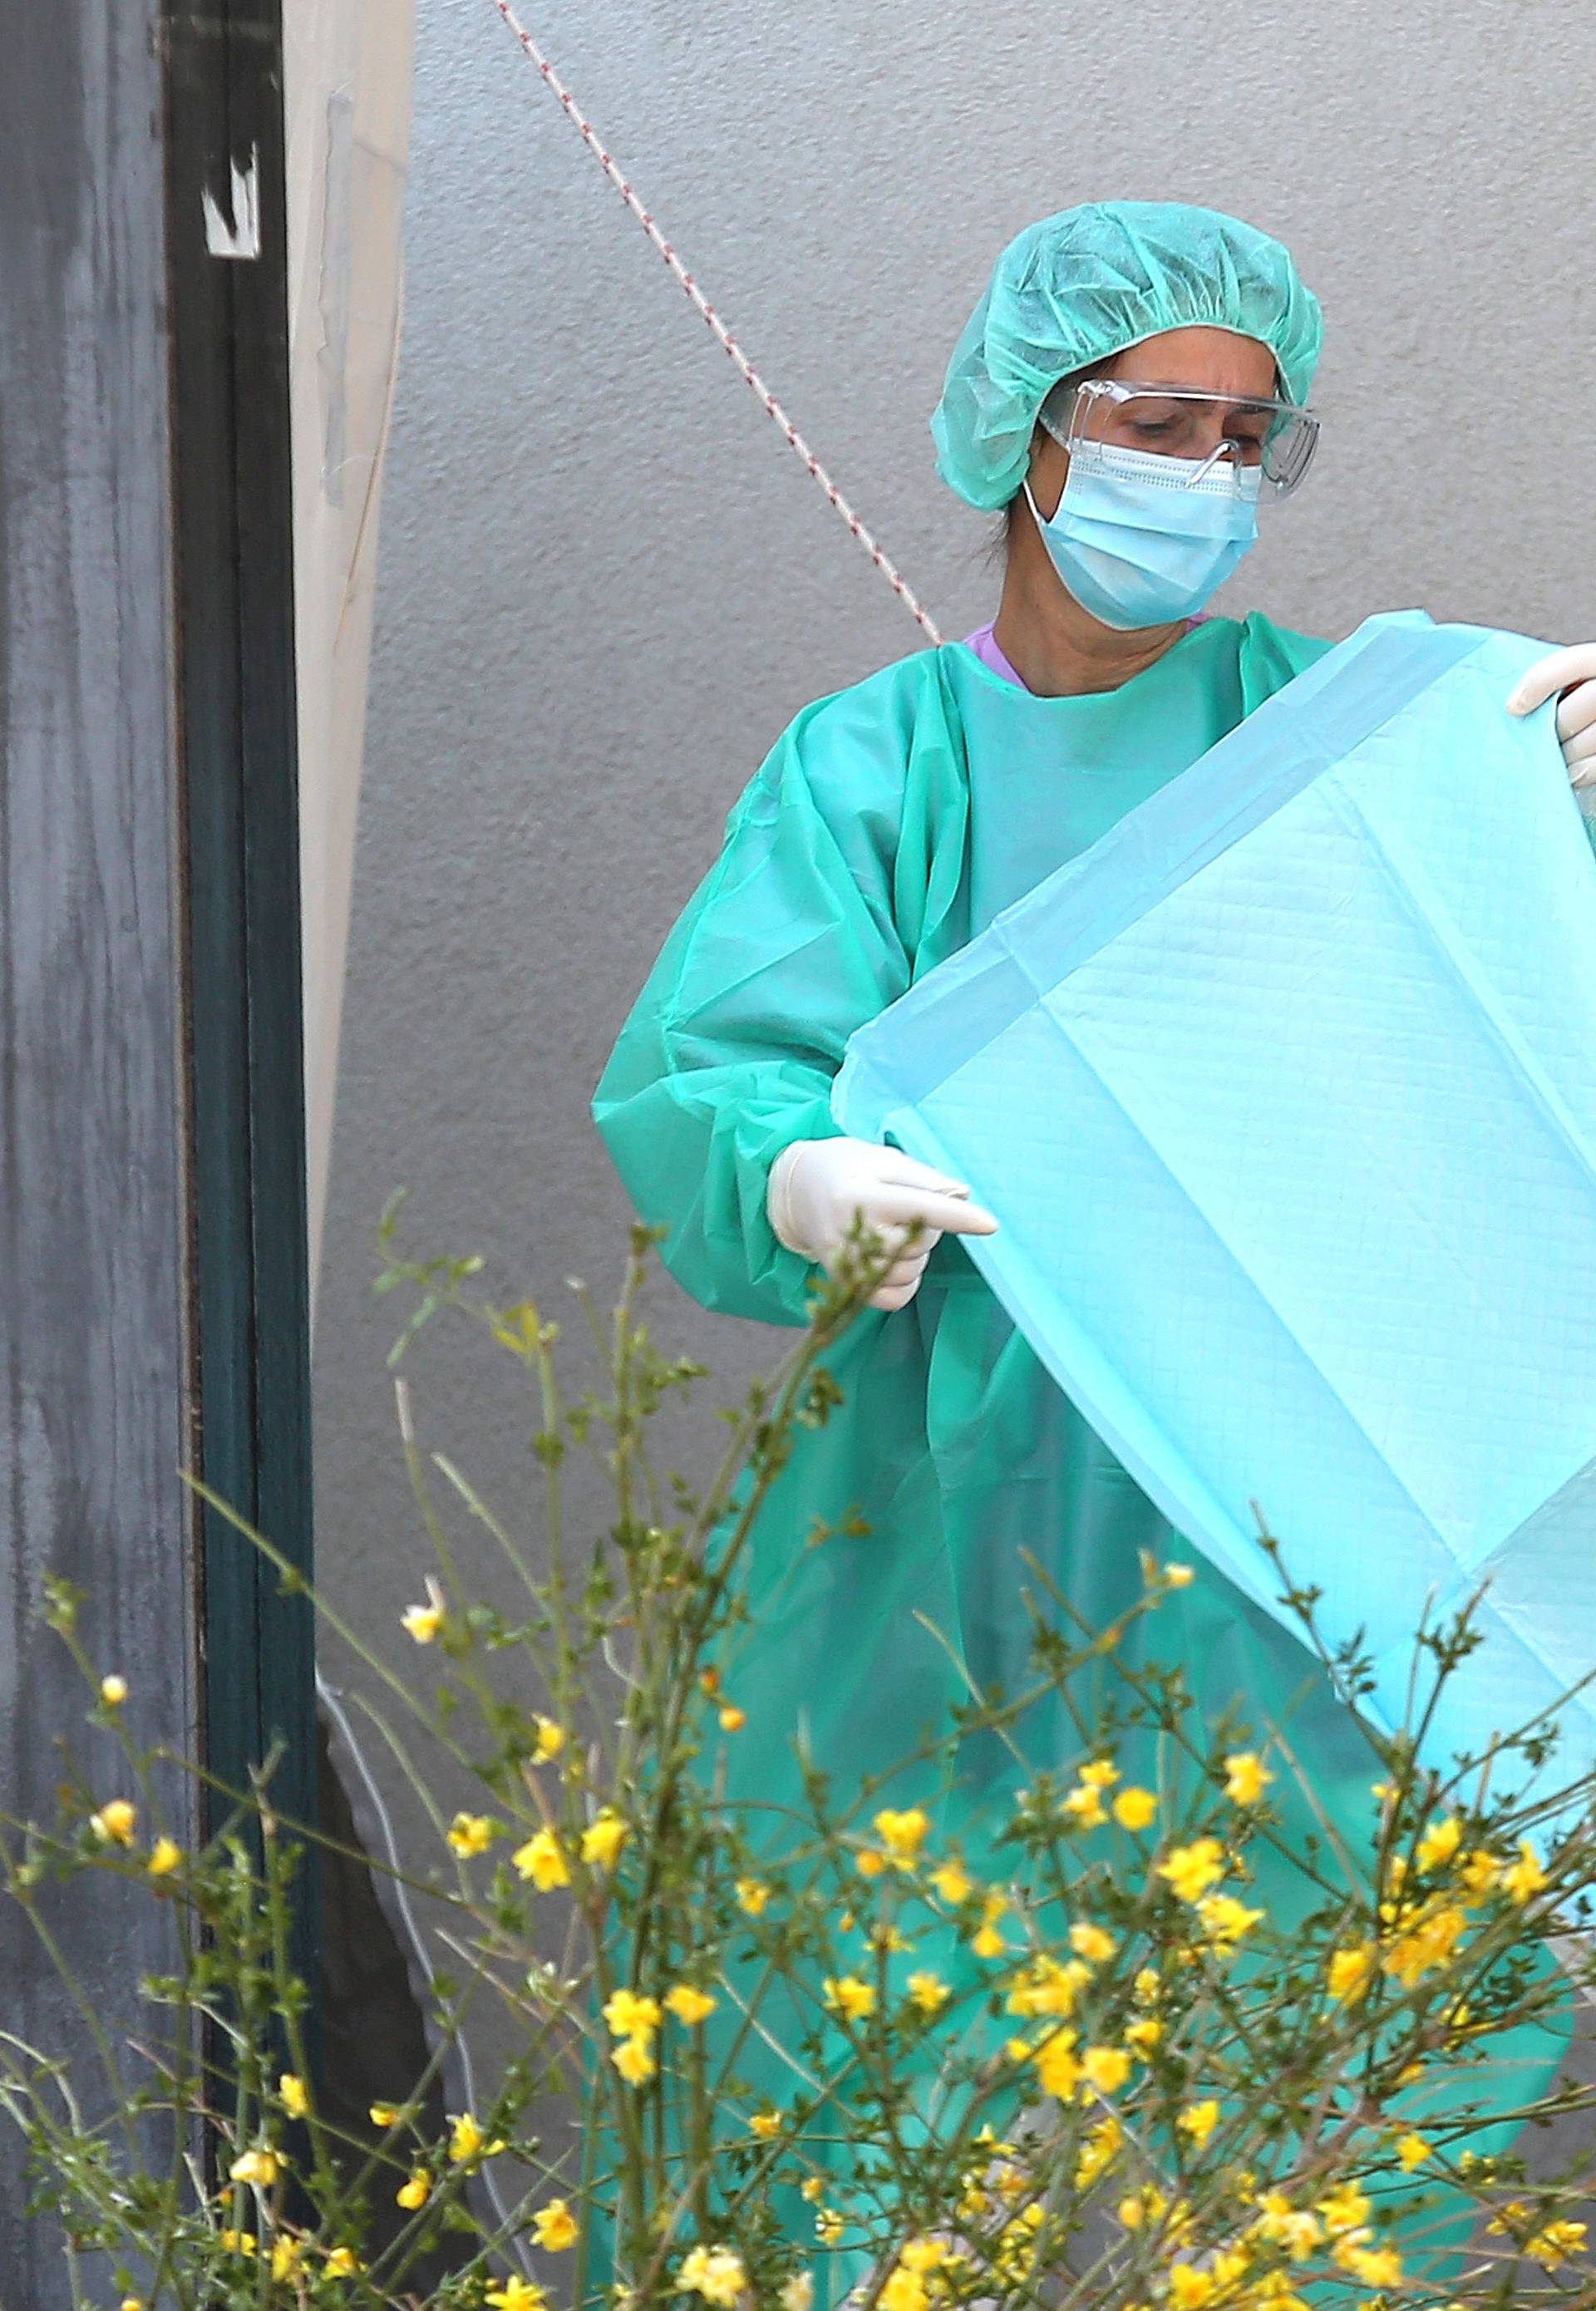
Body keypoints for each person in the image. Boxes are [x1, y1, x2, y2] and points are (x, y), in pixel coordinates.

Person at [593, 202, 1588, 2273]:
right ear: (1032, 438)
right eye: (1160, 421)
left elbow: (1489, 1025)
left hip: (1288, 1522)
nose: (1208, 477)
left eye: (1252, 437)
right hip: (940, 1517)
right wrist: (797, 1179)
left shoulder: (1357, 743)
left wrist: (1556, 817)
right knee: (853, 2069)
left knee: (1324, 2087)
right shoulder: (879, 764)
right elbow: (712, 1070)